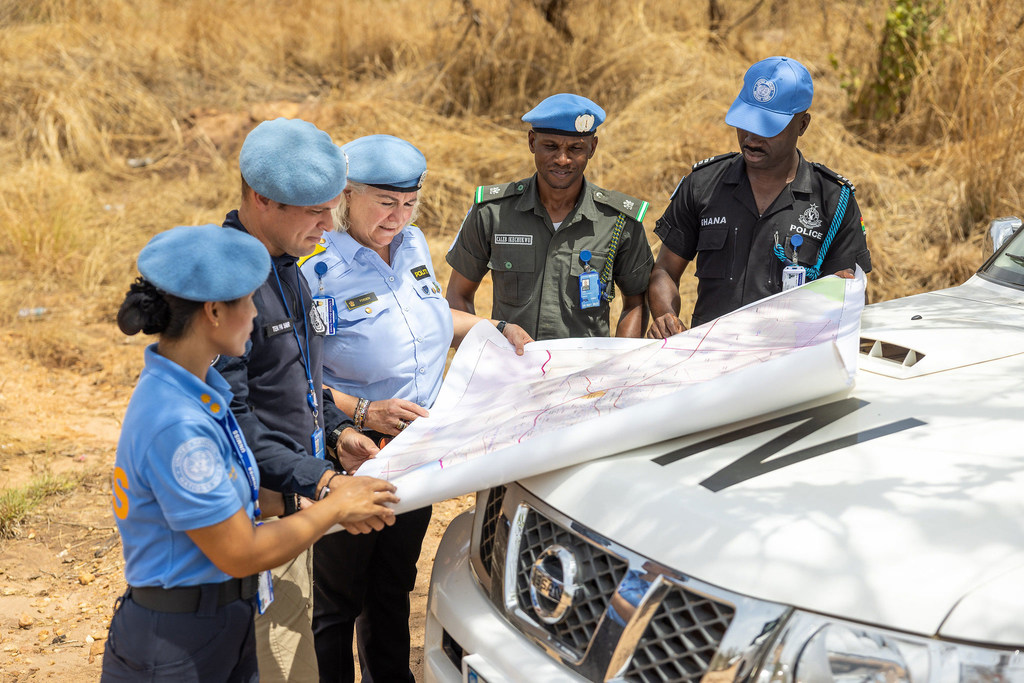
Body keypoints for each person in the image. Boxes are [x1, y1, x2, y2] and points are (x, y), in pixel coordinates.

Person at [103, 225, 398, 682]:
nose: (256, 315)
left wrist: (314, 501)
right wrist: (334, 506)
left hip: (222, 620)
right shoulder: (178, 424)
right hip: (178, 643)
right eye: (248, 303)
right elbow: (241, 550)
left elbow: (237, 497)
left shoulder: (204, 387)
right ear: (215, 312)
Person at [298, 134, 532, 682]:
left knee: (393, 582)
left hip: (418, 448)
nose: (397, 217)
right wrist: (362, 411)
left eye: (409, 203)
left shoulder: (415, 246)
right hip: (352, 453)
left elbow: (430, 319)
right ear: (346, 196)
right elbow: (293, 377)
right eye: (384, 202)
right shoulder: (312, 266)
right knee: (337, 597)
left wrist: (491, 329)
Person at [212, 118, 381, 682]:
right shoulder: (227, 285)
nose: (329, 225)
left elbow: (295, 378)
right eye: (315, 211)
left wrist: (336, 431)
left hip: (294, 500)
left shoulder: (286, 264)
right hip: (258, 517)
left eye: (332, 208)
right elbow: (233, 423)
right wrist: (325, 482)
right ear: (262, 200)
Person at [647, 56, 872, 338]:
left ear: (802, 125)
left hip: (789, 362)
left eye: (768, 127)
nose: (751, 137)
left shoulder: (833, 201)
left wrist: (843, 295)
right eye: (746, 121)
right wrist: (665, 315)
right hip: (709, 355)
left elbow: (852, 297)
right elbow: (665, 270)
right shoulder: (703, 185)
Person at [445, 92, 653, 341]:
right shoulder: (492, 212)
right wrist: (482, 356)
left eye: (575, 148)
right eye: (550, 146)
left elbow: (637, 302)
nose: (562, 159)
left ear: (592, 148)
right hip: (512, 371)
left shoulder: (619, 221)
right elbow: (458, 296)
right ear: (532, 142)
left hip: (584, 374)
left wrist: (617, 368)